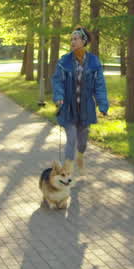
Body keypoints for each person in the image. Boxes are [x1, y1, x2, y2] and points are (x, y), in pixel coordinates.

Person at [52, 26, 109, 177]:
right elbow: (57, 81)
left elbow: (100, 85)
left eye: (76, 39)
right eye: (71, 39)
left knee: (82, 142)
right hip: (68, 108)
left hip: (85, 108)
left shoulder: (94, 62)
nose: (72, 41)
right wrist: (59, 96)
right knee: (71, 139)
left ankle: (80, 158)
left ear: (84, 41)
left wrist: (103, 104)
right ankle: (67, 171)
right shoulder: (64, 61)